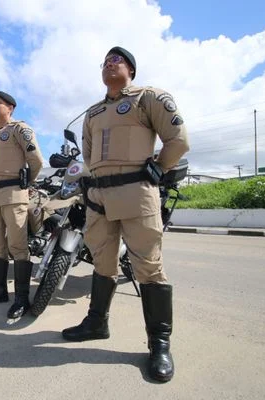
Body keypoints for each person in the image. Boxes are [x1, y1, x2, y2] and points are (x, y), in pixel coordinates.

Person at [61, 46, 189, 383]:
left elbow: (178, 140)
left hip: (137, 191)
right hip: (99, 195)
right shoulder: (93, 112)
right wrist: (89, 187)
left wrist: (159, 168)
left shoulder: (149, 97)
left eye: (116, 60)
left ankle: (159, 344)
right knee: (103, 261)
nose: (109, 64)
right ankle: (96, 323)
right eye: (104, 61)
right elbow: (87, 156)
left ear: (130, 68)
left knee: (148, 266)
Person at [0, 91, 43, 319]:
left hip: (14, 193)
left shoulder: (19, 129)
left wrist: (26, 182)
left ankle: (21, 298)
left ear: (10, 108)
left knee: (17, 245)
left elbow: (36, 160)